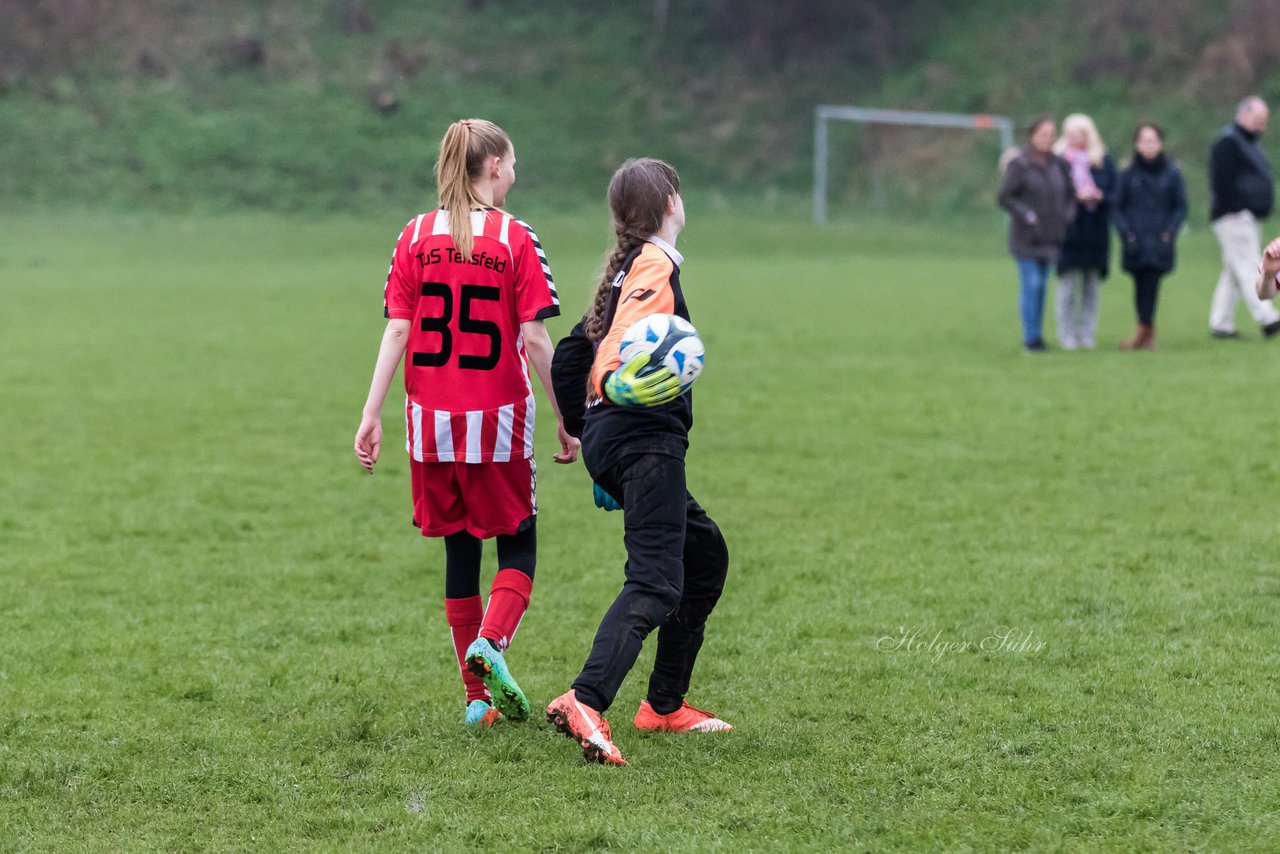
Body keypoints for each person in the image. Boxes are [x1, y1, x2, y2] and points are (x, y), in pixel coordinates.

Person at [353, 118, 579, 730]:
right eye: (513, 162)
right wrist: (568, 415)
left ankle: (476, 701)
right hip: (499, 421)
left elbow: (397, 327)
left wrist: (372, 412)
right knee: (519, 543)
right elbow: (534, 337)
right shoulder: (514, 237)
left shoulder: (413, 235)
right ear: (497, 168)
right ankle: (493, 642)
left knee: (459, 550)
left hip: (429, 424)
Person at [545, 158, 731, 767]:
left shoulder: (623, 268)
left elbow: (570, 357)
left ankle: (663, 707)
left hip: (621, 438)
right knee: (656, 579)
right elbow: (612, 349)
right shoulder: (652, 265)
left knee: (704, 558)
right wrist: (615, 393)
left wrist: (588, 431)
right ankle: (586, 699)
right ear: (671, 202)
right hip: (643, 439)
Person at [998, 117, 1077, 352]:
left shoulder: (1060, 165)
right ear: (1032, 135)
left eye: (1051, 135)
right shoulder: (1019, 165)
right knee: (1031, 284)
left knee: (1042, 285)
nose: (1047, 139)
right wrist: (1026, 214)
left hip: (1052, 236)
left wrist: (1066, 217)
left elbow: (1070, 195)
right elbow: (1005, 197)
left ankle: (1038, 335)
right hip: (1026, 237)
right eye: (1043, 134)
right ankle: (1031, 338)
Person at [1207, 96, 1280, 338]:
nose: (1261, 126)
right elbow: (1222, 183)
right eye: (1258, 120)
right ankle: (1268, 317)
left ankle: (1221, 323)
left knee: (1233, 271)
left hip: (1248, 216)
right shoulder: (1228, 144)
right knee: (1249, 263)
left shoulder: (1249, 144)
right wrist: (1238, 207)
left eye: (1264, 121)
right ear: (1243, 115)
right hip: (1234, 216)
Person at [1112, 123, 1188, 351]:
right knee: (1140, 284)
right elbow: (1117, 207)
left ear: (1160, 143)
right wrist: (1126, 233)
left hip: (1160, 239)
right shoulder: (1127, 174)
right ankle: (1145, 331)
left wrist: (1170, 232)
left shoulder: (1172, 173)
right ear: (1137, 144)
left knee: (1152, 283)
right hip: (1135, 239)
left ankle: (1144, 332)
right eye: (1145, 140)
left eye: (1153, 140)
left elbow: (1180, 207)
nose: (1149, 145)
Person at [1053, 114, 1116, 350]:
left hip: (1095, 230)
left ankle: (1087, 333)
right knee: (1067, 286)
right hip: (1069, 231)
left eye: (1077, 134)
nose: (1072, 138)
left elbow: (1114, 193)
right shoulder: (1058, 162)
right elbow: (1053, 195)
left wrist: (1099, 196)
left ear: (1087, 135)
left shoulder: (1102, 161)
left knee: (1091, 286)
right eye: (1068, 134)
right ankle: (1066, 334)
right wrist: (1075, 197)